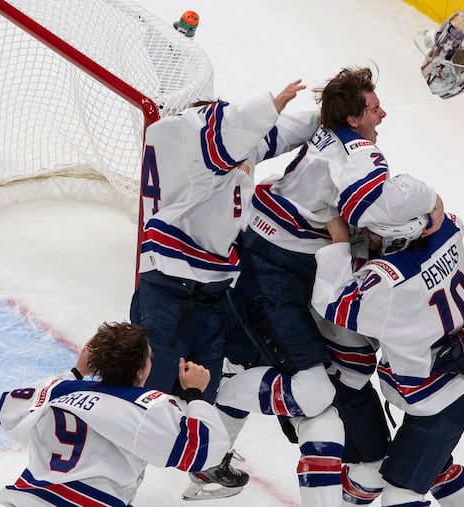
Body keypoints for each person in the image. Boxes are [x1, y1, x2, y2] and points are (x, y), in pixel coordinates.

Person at [214, 66, 445, 507]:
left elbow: (264, 138)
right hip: (275, 271)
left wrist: (244, 162)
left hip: (251, 243)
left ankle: (210, 446)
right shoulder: (362, 154)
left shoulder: (322, 125)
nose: (383, 115)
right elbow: (366, 211)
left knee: (249, 351)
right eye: (375, 108)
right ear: (354, 118)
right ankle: (211, 407)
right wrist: (428, 208)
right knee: (311, 391)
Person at [130, 80, 319, 498]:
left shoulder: (213, 149)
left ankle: (206, 467)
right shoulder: (186, 135)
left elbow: (274, 135)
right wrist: (270, 101)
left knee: (205, 385)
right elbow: (234, 127)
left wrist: (330, 113)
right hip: (170, 289)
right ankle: (109, 483)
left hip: (207, 289)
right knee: (145, 399)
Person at [310, 213, 464, 507]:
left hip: (439, 399)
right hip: (462, 380)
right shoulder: (446, 230)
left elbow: (332, 304)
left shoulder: (388, 285)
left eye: (372, 233)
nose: (364, 234)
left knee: (401, 496)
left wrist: (338, 240)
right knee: (434, 468)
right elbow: (440, 213)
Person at [0, 321, 231, 507]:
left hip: (28, 498)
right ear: (140, 372)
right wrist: (194, 393)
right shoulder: (148, 406)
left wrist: (76, 372)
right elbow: (204, 450)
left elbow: (8, 410)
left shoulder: (59, 390)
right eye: (150, 357)